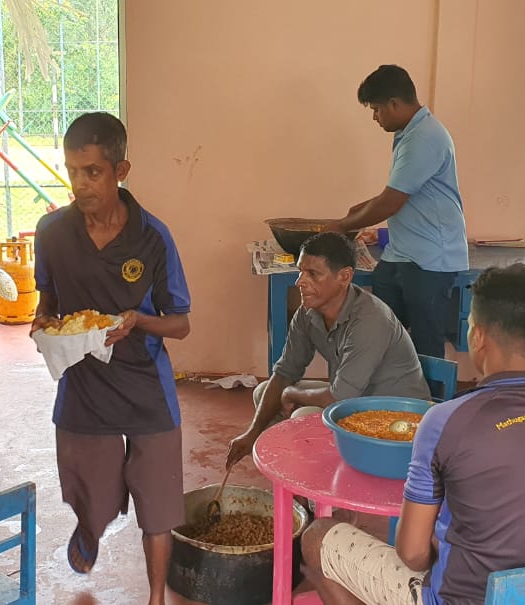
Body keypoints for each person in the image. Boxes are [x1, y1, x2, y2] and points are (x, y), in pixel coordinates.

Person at [301, 264, 525, 605]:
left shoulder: (445, 421)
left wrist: (439, 543)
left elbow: (412, 555)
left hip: (466, 599)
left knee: (317, 538)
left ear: (477, 336)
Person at [32, 112, 191, 605]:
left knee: (158, 504)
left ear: (121, 170)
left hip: (145, 382)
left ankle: (156, 596)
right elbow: (48, 302)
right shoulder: (53, 232)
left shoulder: (152, 237)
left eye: (93, 172)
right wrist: (42, 324)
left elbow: (180, 322)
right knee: (93, 497)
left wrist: (137, 321)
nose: (80, 184)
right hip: (83, 383)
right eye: (72, 171)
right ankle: (90, 527)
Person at [225, 231, 429, 468]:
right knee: (264, 393)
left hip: (395, 417)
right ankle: (297, 478)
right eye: (301, 271)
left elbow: (339, 397)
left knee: (302, 415)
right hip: (356, 400)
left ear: (344, 276)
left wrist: (292, 394)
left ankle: (315, 488)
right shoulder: (308, 312)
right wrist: (251, 433)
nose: (300, 281)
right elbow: (285, 372)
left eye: (313, 274)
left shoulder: (370, 320)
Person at [322, 64, 469, 359]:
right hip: (402, 253)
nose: (375, 117)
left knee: (426, 344)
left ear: (394, 103)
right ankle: (388, 399)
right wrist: (358, 211)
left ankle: (432, 404)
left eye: (377, 109)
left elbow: (392, 202)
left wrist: (341, 225)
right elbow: (398, 191)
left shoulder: (424, 137)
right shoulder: (409, 133)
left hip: (430, 258)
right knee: (386, 336)